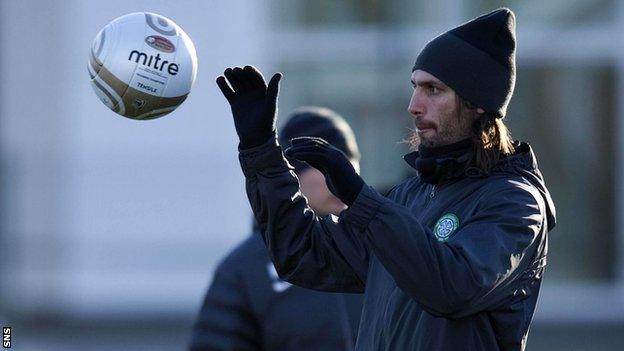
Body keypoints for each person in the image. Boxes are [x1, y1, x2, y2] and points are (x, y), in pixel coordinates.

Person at [216, 8, 556, 351]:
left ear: (477, 104)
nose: (414, 105)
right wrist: (262, 152)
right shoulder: (410, 197)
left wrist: (361, 200)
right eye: (414, 87)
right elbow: (303, 255)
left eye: (433, 90)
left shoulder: (516, 202)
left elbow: (451, 288)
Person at [189, 107, 364, 351]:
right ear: (293, 174)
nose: (345, 176)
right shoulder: (244, 269)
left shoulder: (382, 248)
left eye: (350, 164)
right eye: (327, 167)